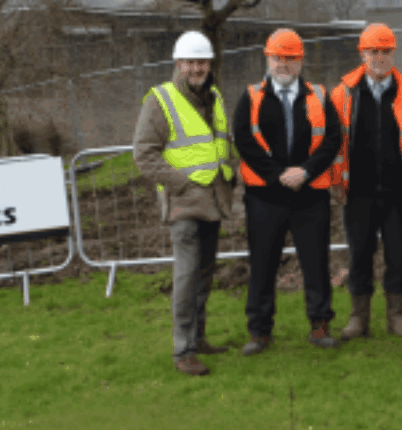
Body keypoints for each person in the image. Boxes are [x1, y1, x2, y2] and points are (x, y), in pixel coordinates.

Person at [232, 29, 343, 356]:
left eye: (290, 58)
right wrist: (277, 175)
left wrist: (306, 171)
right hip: (265, 197)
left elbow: (333, 139)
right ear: (267, 58)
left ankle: (320, 325)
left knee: (316, 263)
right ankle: (259, 331)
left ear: (300, 61)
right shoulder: (251, 97)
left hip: (310, 196)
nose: (283, 63)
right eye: (277, 57)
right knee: (262, 264)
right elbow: (244, 140)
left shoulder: (320, 95)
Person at [133, 30, 237, 377]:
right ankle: (183, 349)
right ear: (178, 63)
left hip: (212, 200)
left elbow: (220, 142)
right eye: (190, 62)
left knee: (204, 273)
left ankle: (198, 337)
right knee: (187, 275)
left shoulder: (214, 96)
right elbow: (144, 155)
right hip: (183, 204)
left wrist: (229, 175)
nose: (197, 68)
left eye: (202, 62)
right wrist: (181, 183)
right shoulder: (160, 100)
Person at [328, 23, 402, 340]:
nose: (379, 57)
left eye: (385, 51)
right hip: (357, 192)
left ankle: (397, 316)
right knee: (359, 255)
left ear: (394, 53)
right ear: (362, 53)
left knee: (397, 254)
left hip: (398, 191)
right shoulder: (342, 94)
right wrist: (335, 181)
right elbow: (332, 143)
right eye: (373, 51)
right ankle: (358, 318)